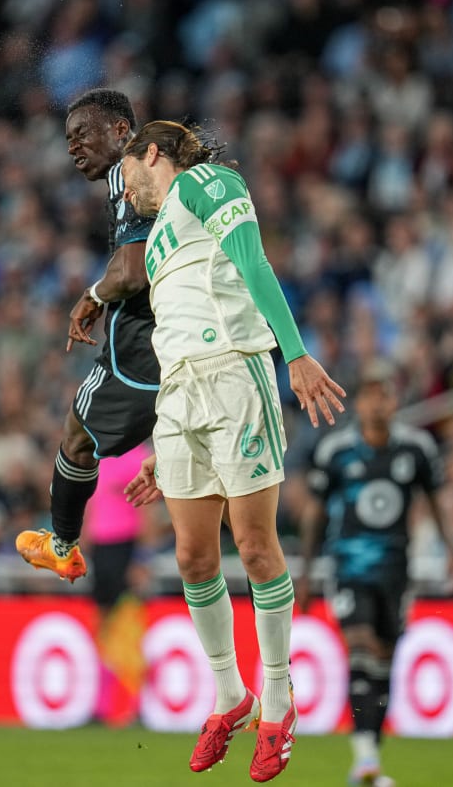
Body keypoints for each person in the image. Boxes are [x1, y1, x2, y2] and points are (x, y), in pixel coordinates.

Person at [121, 121, 346, 782]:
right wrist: (164, 434)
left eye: (126, 170)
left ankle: (278, 696)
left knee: (253, 545)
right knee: (192, 554)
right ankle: (231, 694)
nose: (123, 186)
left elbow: (253, 261)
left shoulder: (206, 181)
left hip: (236, 375)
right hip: (181, 393)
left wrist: (294, 353)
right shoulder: (158, 238)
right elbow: (178, 324)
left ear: (152, 152)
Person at [15, 89, 161, 582]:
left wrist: (94, 296)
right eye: (67, 140)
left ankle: (62, 545)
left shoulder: (130, 172)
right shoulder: (159, 172)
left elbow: (135, 270)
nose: (73, 148)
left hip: (143, 350)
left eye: (82, 135)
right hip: (191, 344)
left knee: (78, 437)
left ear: (121, 131)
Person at [297, 362, 453, 787]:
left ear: (394, 399)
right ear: (359, 401)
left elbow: (436, 501)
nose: (376, 402)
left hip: (396, 573)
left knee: (384, 665)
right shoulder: (336, 451)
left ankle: (368, 756)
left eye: (383, 394)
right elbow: (314, 511)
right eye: (368, 394)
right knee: (362, 650)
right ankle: (365, 759)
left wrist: (452, 554)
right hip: (348, 569)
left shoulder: (416, 449)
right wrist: (307, 572)